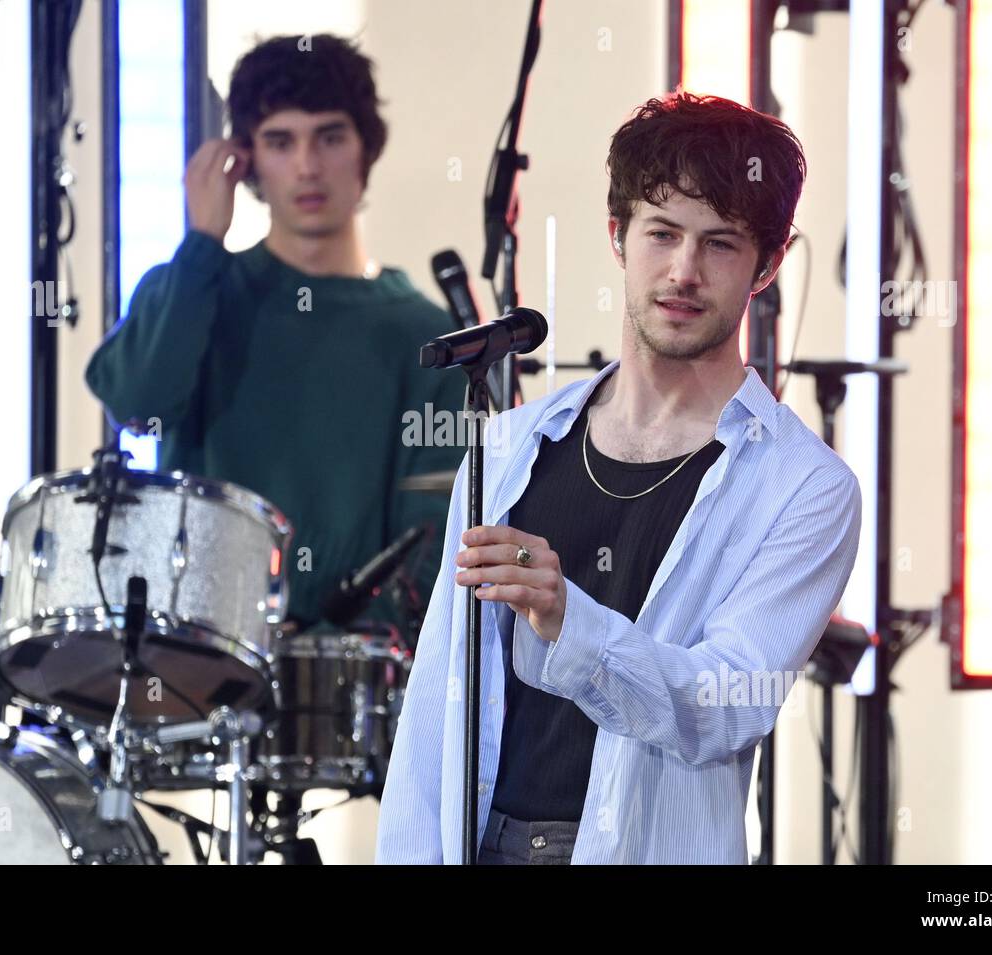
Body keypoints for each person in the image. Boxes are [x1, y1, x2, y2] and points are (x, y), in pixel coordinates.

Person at [375, 91, 862, 864]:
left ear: (766, 265)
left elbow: (723, 705)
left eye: (721, 244)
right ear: (618, 235)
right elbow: (438, 696)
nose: (683, 271)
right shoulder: (509, 446)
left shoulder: (805, 489)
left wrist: (572, 618)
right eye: (662, 233)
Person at [86, 34, 467, 632]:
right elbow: (135, 402)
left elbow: (430, 545)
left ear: (366, 148)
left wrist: (323, 646)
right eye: (280, 141)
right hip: (192, 657)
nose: (308, 166)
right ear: (246, 159)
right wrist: (202, 241)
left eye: (330, 136)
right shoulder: (195, 288)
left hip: (350, 689)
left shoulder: (428, 336)